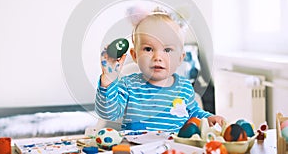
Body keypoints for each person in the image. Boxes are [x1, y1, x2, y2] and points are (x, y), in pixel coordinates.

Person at [95, 7, 224, 132]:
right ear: (135, 55)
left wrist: (209, 118)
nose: (158, 57)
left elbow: (194, 113)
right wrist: (108, 79)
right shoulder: (128, 85)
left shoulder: (184, 88)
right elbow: (108, 113)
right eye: (148, 49)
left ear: (180, 58)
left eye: (167, 50)